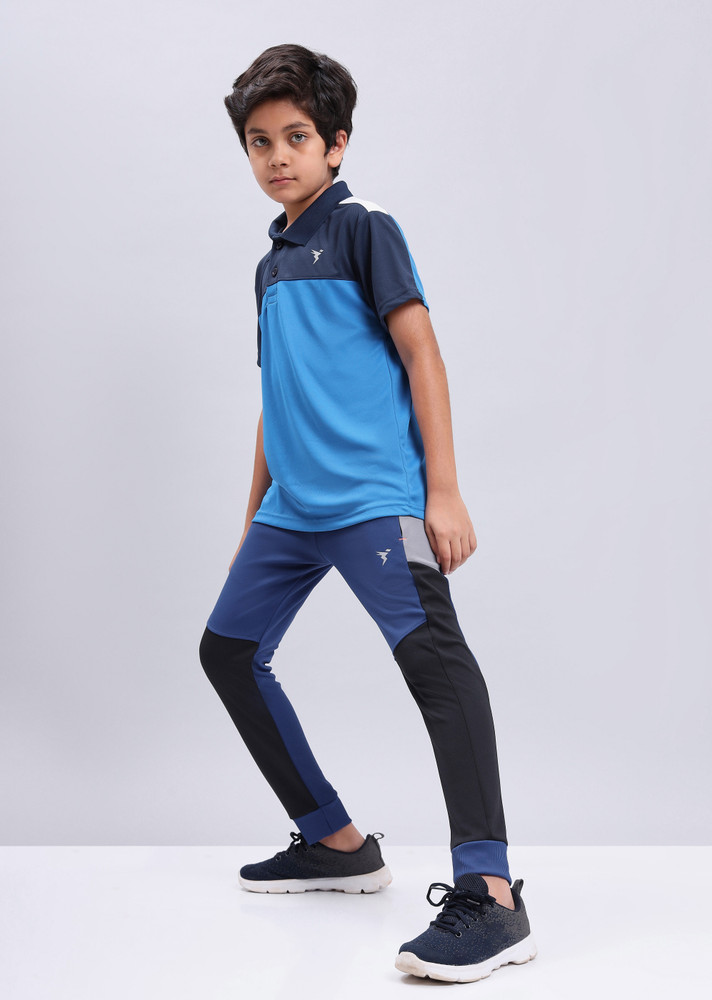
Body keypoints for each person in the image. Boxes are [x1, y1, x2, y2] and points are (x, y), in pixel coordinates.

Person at [198, 43, 537, 983]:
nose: (277, 156)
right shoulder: (269, 266)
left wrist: (444, 491)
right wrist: (252, 517)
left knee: (437, 667)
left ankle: (493, 894)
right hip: (291, 510)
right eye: (259, 142)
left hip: (374, 500)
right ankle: (336, 842)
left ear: (336, 143)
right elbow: (275, 398)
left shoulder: (363, 228)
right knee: (227, 652)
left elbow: (423, 353)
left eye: (296, 137)